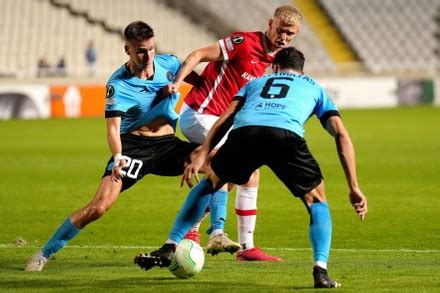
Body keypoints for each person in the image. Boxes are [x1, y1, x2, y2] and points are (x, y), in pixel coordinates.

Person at [134, 47, 368, 288]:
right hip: (285, 136)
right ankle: (321, 270)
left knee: (211, 182)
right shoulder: (314, 87)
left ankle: (170, 245)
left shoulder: (256, 82)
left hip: (246, 133)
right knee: (317, 201)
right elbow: (340, 133)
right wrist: (353, 186)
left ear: (274, 66)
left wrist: (202, 152)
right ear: (301, 70)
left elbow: (225, 119)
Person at [24, 21, 201, 272]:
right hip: (133, 148)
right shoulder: (118, 84)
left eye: (151, 48)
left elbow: (202, 82)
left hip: (168, 144)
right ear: (127, 49)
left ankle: (186, 235)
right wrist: (118, 156)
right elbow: (112, 128)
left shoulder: (170, 64)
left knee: (222, 167)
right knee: (99, 207)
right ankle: (43, 254)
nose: (148, 55)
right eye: (141, 50)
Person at [162, 5, 303, 261]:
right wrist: (177, 81)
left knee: (247, 174)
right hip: (200, 113)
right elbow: (198, 54)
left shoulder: (276, 62)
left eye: (290, 34)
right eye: (280, 30)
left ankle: (230, 242)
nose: (283, 37)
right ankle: (220, 235)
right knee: (231, 166)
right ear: (270, 23)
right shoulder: (244, 42)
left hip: (223, 122)